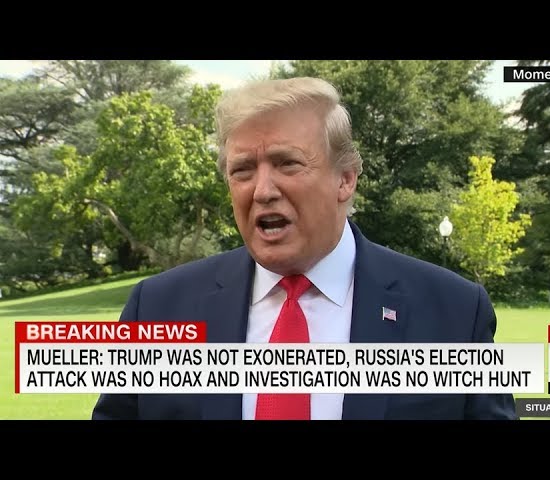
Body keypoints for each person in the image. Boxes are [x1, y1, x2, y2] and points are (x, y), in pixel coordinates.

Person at [92, 76, 517, 420]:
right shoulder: (158, 307)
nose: (262, 190)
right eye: (243, 170)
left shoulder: (455, 311)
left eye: (287, 163)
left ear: (345, 179)